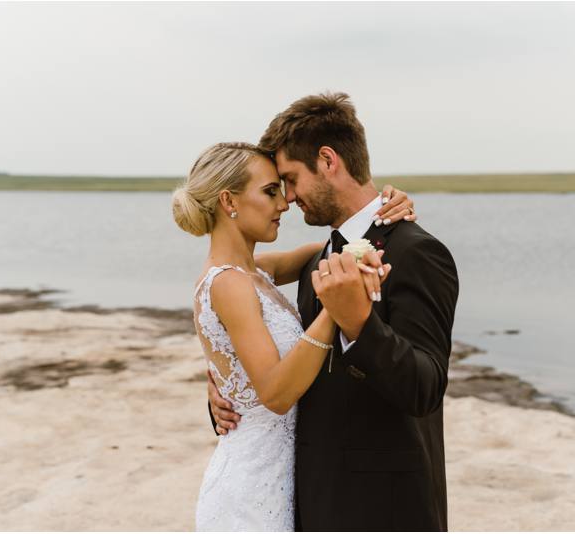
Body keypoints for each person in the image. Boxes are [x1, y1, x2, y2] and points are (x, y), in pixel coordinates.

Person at [209, 93, 459, 531]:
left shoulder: (416, 252)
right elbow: (232, 293)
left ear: (328, 161)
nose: (288, 198)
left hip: (385, 510)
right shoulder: (316, 260)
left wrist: (359, 324)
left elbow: (426, 388)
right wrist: (228, 384)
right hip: (311, 501)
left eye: (290, 179)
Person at [172, 141, 417, 531]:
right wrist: (335, 309)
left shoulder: (256, 271)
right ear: (228, 200)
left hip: (282, 481)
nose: (284, 203)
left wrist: (382, 212)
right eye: (270, 191)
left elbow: (334, 249)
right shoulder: (229, 284)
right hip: (251, 492)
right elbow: (275, 394)